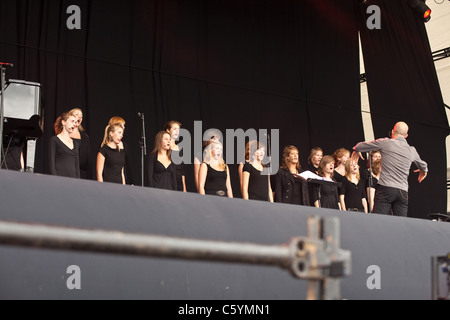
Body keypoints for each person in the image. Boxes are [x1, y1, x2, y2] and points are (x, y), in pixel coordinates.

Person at [352, 121, 428, 217]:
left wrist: (356, 149)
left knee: (379, 221)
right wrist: (423, 171)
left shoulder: (385, 143)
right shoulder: (412, 150)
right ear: (406, 135)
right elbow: (423, 165)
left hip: (386, 188)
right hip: (402, 192)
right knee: (400, 224)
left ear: (392, 131)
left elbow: (364, 145)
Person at [48, 112, 80, 178]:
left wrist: (78, 181)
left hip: (73, 180)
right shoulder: (54, 140)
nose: (74, 124)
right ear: (63, 122)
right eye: (72, 121)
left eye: (75, 122)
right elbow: (51, 163)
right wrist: (54, 179)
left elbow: (77, 166)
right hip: (59, 179)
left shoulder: (75, 143)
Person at [107, 117, 134, 185]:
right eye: (122, 125)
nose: (124, 127)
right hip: (112, 181)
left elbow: (127, 165)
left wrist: (131, 182)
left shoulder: (125, 145)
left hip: (124, 180)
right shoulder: (106, 148)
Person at [69, 108, 92, 180]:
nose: (79, 117)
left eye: (81, 116)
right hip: (69, 171)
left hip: (82, 173)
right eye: (77, 115)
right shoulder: (66, 134)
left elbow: (88, 157)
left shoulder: (85, 136)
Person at [164, 120, 186, 192]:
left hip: (179, 182)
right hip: (168, 181)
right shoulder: (164, 147)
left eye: (178, 130)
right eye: (174, 129)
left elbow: (182, 171)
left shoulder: (180, 149)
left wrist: (184, 187)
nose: (177, 131)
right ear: (168, 130)